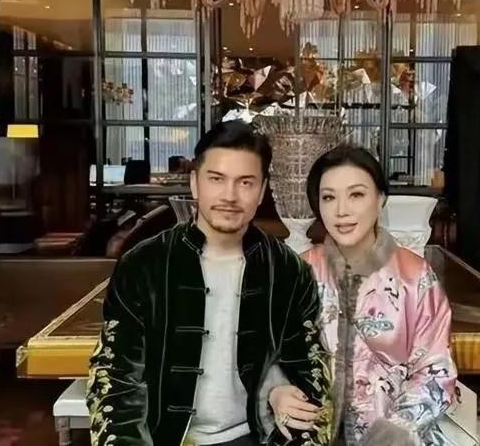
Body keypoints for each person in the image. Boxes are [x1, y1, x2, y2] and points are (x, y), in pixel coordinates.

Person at [87, 120, 328, 446]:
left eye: (245, 182)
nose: (230, 195)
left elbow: (310, 375)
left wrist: (279, 395)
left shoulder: (287, 270)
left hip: (254, 437)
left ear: (261, 191)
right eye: (216, 179)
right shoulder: (144, 265)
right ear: (195, 183)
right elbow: (117, 378)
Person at [270, 145, 456, 446]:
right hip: (312, 435)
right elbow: (268, 353)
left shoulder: (414, 277)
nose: (341, 210)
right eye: (329, 197)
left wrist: (396, 430)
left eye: (356, 195)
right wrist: (276, 391)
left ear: (380, 199)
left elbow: (436, 369)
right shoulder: (297, 274)